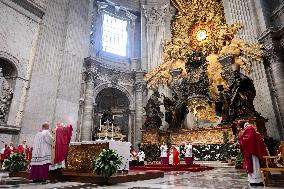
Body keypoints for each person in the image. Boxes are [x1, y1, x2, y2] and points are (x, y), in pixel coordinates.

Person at [238, 121, 268, 186]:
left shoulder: (249, 128)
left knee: (254, 165)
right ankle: (254, 180)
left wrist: (240, 139)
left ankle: (256, 181)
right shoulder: (249, 128)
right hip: (252, 150)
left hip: (252, 151)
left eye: (241, 127)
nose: (242, 129)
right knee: (254, 165)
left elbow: (248, 139)